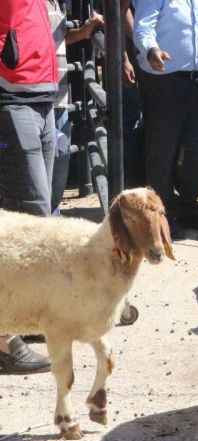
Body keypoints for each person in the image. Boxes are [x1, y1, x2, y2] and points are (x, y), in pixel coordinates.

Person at [134, 0, 198, 237]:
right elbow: (143, 27)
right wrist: (151, 49)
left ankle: (188, 206)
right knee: (162, 152)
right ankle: (162, 215)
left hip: (196, 80)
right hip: (164, 80)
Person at [0, 0, 56, 375]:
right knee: (30, 220)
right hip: (13, 94)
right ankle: (5, 339)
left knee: (38, 217)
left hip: (42, 93)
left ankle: (25, 317)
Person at [48, 0, 105, 214]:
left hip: (59, 91)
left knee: (61, 155)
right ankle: (48, 214)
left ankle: (52, 210)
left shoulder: (57, 5)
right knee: (49, 157)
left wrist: (84, 31)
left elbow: (59, 39)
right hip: (40, 91)